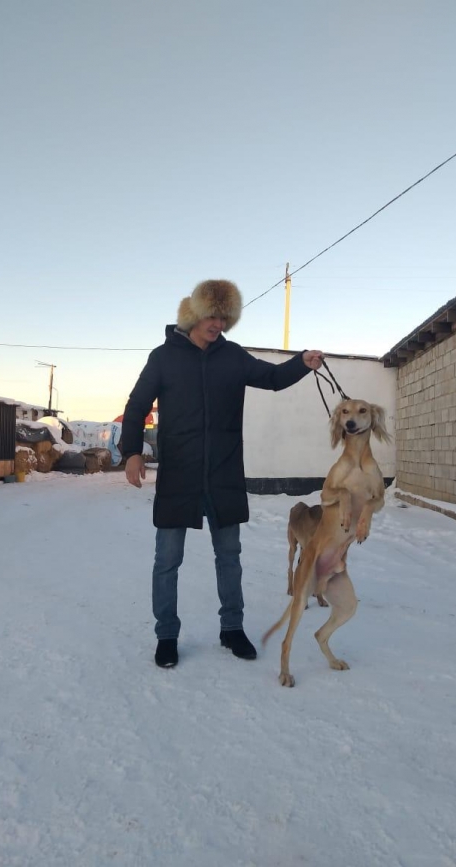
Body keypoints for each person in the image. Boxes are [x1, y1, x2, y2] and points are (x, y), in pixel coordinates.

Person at [121, 279, 323, 668]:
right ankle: (166, 635)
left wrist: (302, 363)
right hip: (179, 472)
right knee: (167, 560)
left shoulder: (232, 356)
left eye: (224, 318)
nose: (218, 324)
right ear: (195, 315)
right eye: (212, 316)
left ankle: (232, 629)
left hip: (224, 471)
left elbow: (271, 378)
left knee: (229, 556)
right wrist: (131, 452)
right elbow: (136, 405)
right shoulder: (164, 357)